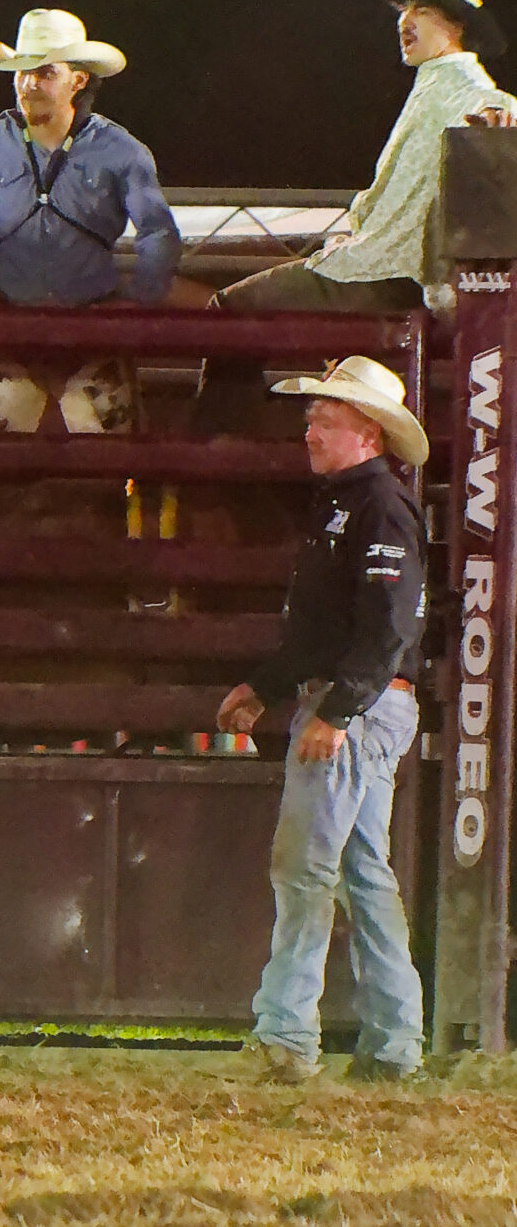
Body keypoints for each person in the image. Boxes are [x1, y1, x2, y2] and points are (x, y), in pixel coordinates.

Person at [215, 357, 430, 1084]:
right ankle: (394, 1041)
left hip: (356, 706)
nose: (311, 430)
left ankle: (285, 1034)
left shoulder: (376, 509)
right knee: (362, 870)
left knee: (304, 865)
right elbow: (353, 624)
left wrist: (336, 707)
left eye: (326, 420)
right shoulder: (358, 503)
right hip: (364, 701)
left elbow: (387, 625)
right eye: (313, 418)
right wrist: (269, 685)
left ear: (366, 434)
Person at [194, 0, 514, 434]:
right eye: (403, 10)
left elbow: (495, 108)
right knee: (344, 396)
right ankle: (246, 459)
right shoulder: (436, 84)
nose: (404, 21)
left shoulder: (464, 88)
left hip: (383, 272)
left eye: (420, 11)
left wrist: (501, 117)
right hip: (386, 268)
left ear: (455, 23)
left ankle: (217, 455)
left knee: (230, 310)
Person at [0, 10, 179, 473]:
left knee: (121, 472)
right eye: (23, 72)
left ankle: (116, 541)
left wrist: (139, 303)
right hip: (9, 331)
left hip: (92, 334)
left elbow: (158, 232)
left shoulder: (121, 151)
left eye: (45, 73)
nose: (29, 84)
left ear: (78, 80)